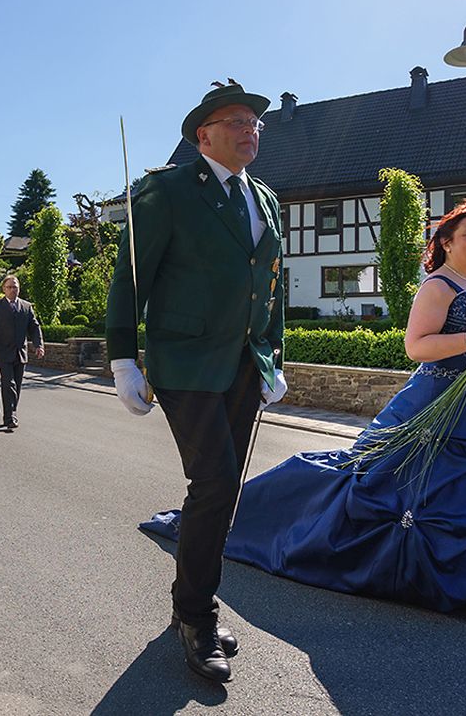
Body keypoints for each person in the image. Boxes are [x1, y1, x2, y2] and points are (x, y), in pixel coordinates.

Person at [146, 198, 466, 624]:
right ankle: (257, 523)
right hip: (445, 410)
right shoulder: (438, 285)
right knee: (385, 488)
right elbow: (417, 347)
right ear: (446, 242)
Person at [106, 81, 287, 683]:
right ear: (202, 135)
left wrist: (274, 357)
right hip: (185, 362)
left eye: (255, 122)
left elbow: (271, 285)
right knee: (213, 481)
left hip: (244, 364)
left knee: (223, 491)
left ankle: (191, 600)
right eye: (237, 121)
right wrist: (123, 359)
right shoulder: (168, 190)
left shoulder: (266, 199)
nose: (250, 130)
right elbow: (130, 278)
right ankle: (195, 615)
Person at [0, 275, 44, 430]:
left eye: (15, 287)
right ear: (4, 289)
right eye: (9, 287)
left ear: (19, 289)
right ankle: (10, 417)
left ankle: (12, 411)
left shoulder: (26, 306)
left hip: (20, 353)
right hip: (3, 353)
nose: (12, 290)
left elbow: (34, 327)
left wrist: (38, 345)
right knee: (8, 384)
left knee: (17, 385)